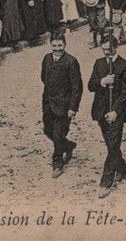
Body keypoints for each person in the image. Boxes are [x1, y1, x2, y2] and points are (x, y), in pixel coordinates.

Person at [87, 33, 126, 198]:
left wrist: (116, 111)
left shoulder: (125, 66)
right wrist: (102, 81)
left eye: (109, 49)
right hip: (100, 111)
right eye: (104, 49)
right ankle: (122, 168)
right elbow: (90, 85)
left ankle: (106, 183)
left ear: (116, 47)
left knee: (113, 145)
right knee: (111, 145)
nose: (106, 52)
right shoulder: (98, 64)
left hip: (116, 114)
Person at [40, 33, 82, 178]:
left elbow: (77, 87)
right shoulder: (46, 59)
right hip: (48, 103)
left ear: (65, 45)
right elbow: (43, 78)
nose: (57, 49)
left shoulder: (71, 62)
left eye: (60, 46)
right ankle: (68, 145)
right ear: (50, 45)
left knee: (58, 135)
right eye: (54, 46)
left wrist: (72, 107)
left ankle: (57, 164)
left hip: (64, 105)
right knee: (47, 130)